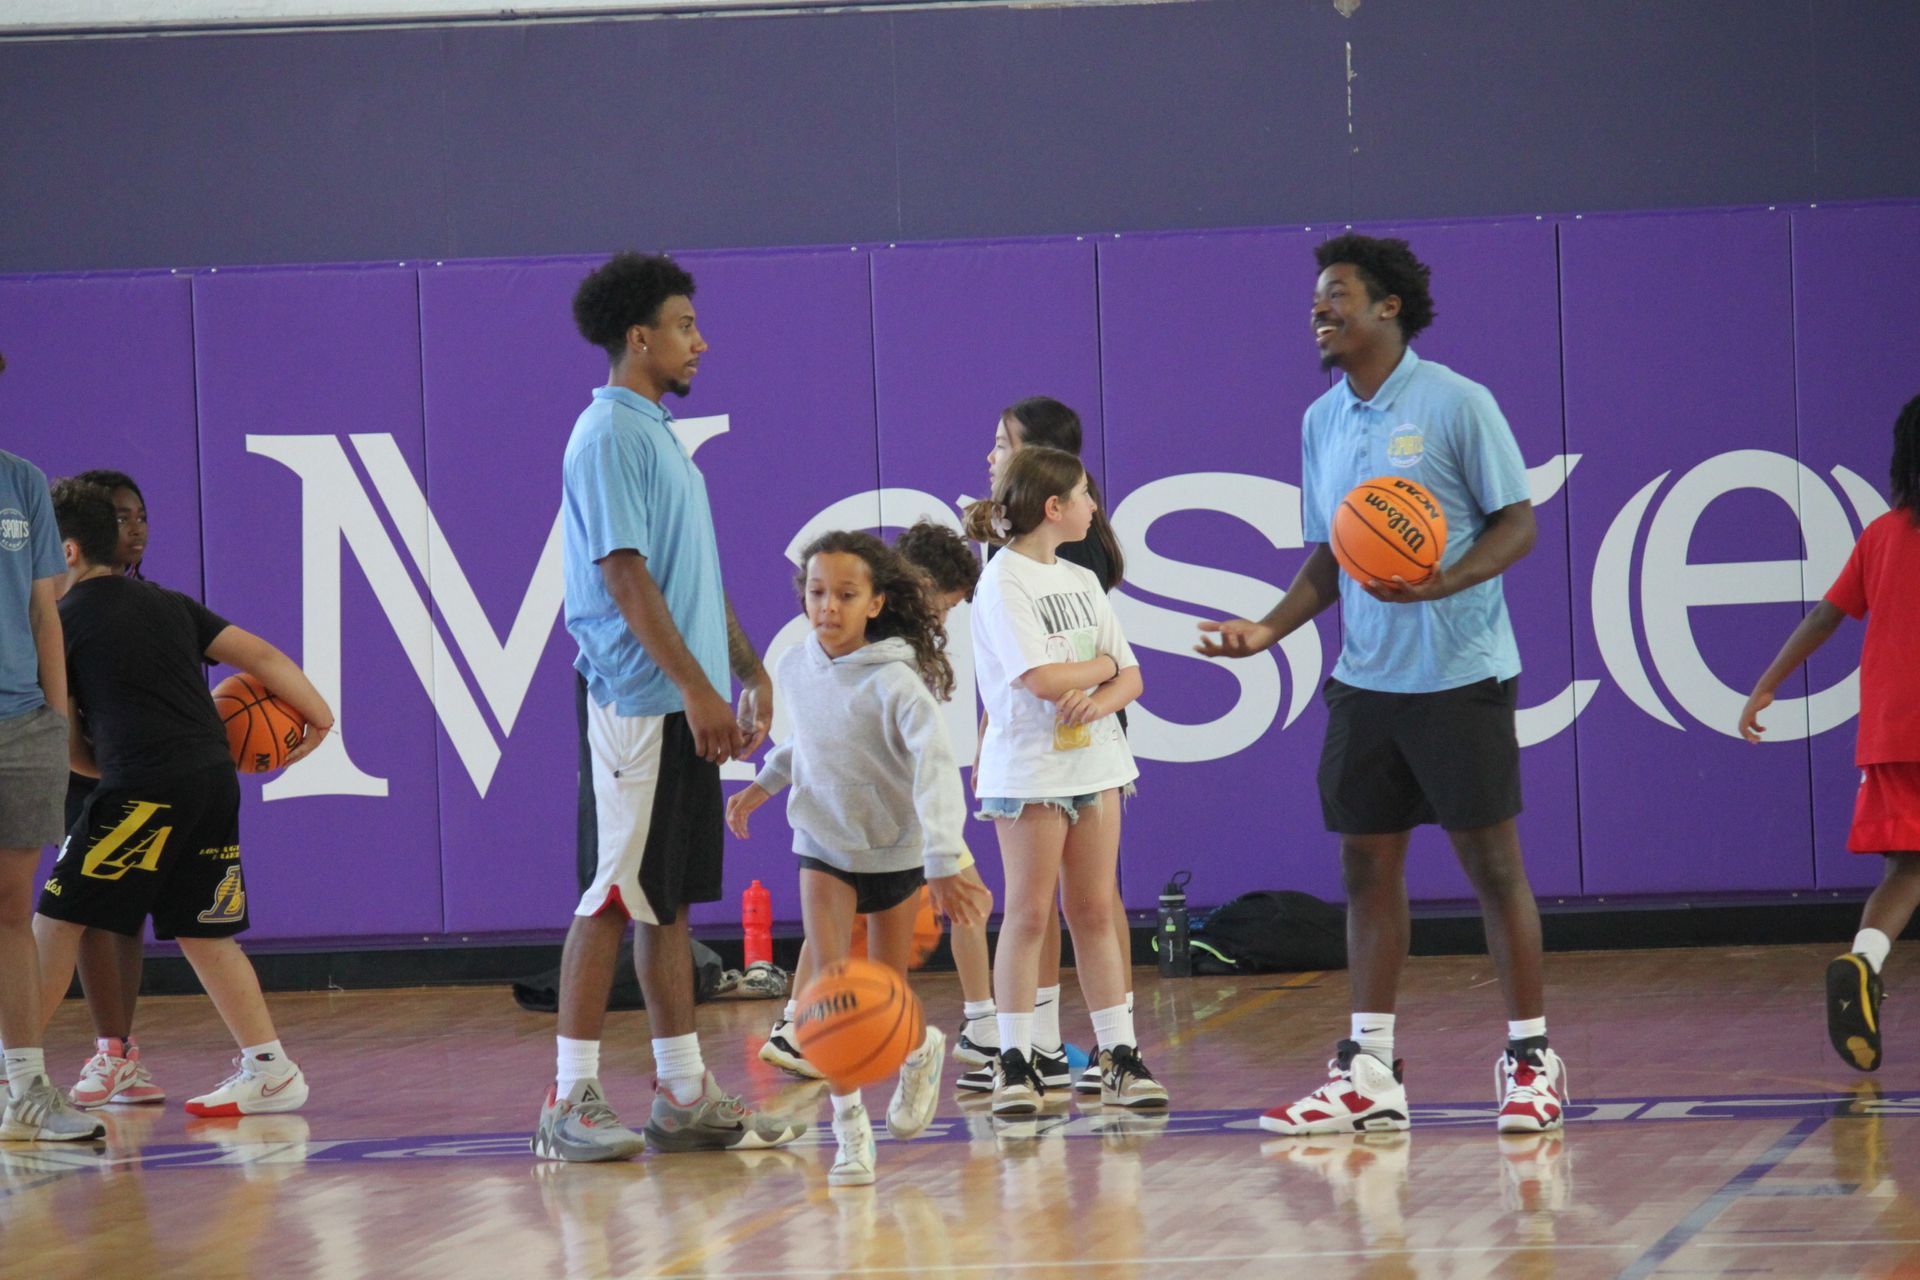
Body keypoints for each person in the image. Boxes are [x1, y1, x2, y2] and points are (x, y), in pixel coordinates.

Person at [1198, 233, 1565, 1136]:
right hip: (1366, 679)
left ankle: (1529, 1058)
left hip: (1460, 671)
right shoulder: (1323, 421)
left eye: (1337, 295)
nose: (1319, 311)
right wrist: (1269, 630)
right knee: (1366, 867)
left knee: (1491, 866)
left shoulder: (1455, 403)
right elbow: (1333, 556)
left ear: (1387, 307)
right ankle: (1369, 1072)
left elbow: (1518, 523)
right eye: (1316, 299)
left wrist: (1447, 579)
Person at [534, 250, 805, 1163]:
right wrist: (694, 691)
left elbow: (694, 580)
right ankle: (568, 1096)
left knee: (667, 905)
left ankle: (684, 1092)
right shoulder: (608, 434)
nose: (702, 341)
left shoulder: (657, 437)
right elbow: (623, 574)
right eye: (686, 326)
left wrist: (748, 666)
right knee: (611, 894)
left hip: (677, 700)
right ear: (639, 337)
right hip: (637, 701)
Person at [34, 479, 332, 1117]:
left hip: (141, 787)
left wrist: (106, 766)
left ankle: (20, 1076)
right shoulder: (169, 604)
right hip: (211, 779)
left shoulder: (60, 622)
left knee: (55, 921)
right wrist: (321, 718)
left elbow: (61, 734)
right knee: (204, 933)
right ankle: (271, 1069)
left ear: (66, 551)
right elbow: (260, 654)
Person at [726, 530, 991, 1185]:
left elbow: (933, 773)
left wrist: (939, 858)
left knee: (889, 996)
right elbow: (808, 744)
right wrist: (762, 786)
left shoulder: (899, 684)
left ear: (876, 603)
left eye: (846, 595)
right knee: (832, 996)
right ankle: (851, 1137)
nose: (828, 607)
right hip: (823, 845)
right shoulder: (792, 666)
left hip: (896, 851)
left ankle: (922, 1049)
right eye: (818, 593)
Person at [965, 445, 1166, 1114]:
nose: (1093, 507)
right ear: (1054, 508)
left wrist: (1106, 691)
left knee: (1093, 909)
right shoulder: (1003, 580)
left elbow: (1132, 676)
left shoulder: (1080, 580)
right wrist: (1099, 667)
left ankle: (1120, 1053)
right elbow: (1043, 680)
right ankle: (1015, 1061)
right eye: (1083, 495)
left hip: (1097, 762)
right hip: (1030, 767)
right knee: (1027, 912)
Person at [1739, 393, 1920, 1074]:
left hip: (1892, 732)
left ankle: (1864, 957)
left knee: (1907, 868)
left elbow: (1825, 615)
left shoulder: (1881, 535)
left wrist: (1768, 680)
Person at [0, 429, 101, 1141]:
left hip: (20, 726)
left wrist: (56, 722)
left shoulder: (22, 481)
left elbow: (43, 612)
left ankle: (26, 1089)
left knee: (11, 909)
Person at [60, 468, 164, 1108]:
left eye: (142, 515)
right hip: (74, 767)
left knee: (119, 913)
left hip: (122, 770)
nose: (136, 528)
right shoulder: (60, 606)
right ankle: (33, 1050)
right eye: (122, 517)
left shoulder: (152, 605)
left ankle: (119, 1051)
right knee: (70, 914)